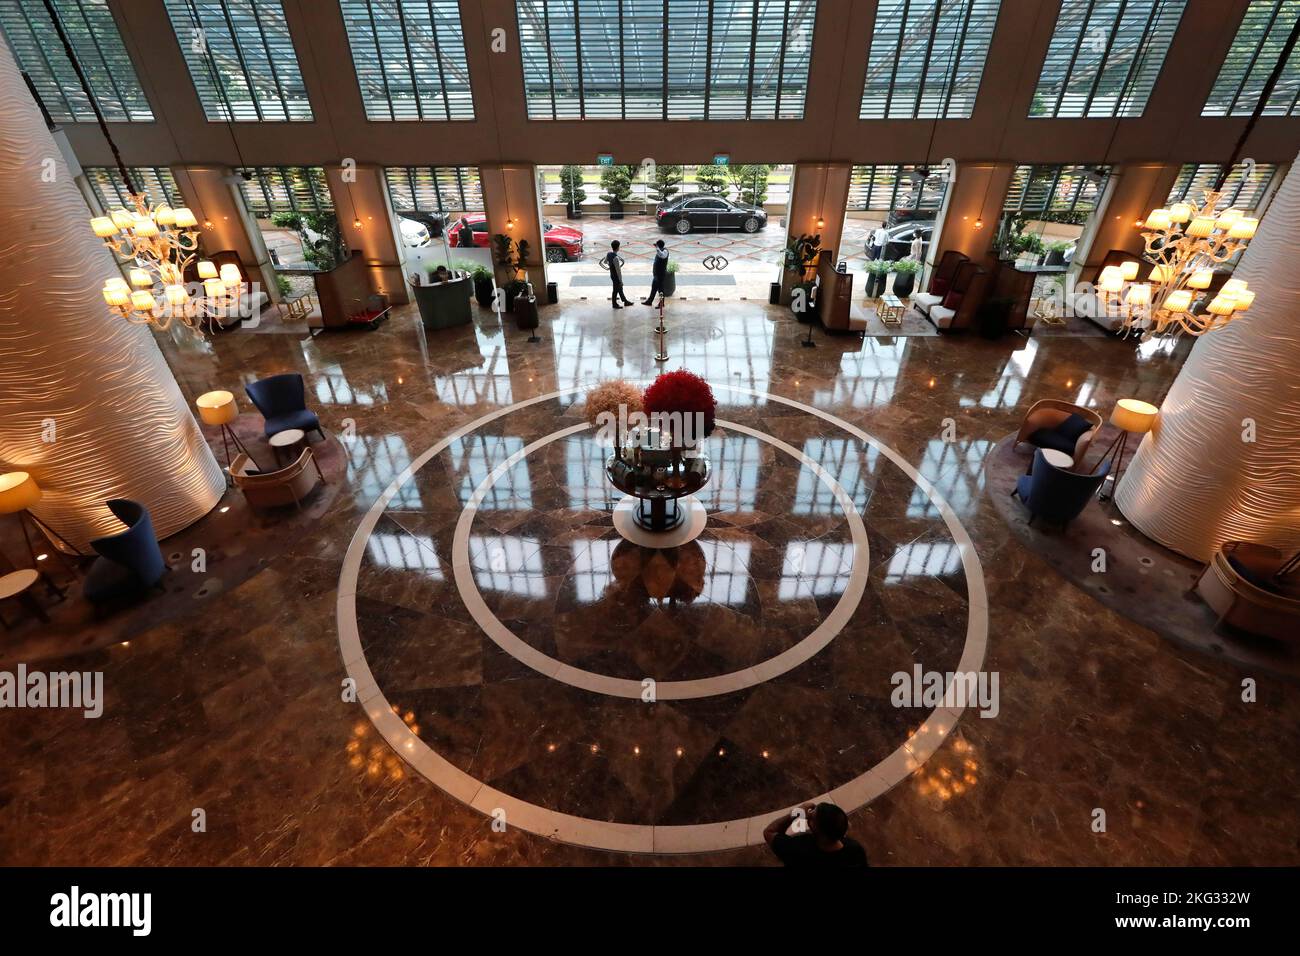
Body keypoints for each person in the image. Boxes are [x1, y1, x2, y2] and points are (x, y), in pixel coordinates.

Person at [763, 802, 868, 868]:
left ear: (820, 832)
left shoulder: (797, 849)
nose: (809, 817)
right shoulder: (855, 851)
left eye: (812, 818)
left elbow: (769, 832)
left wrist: (796, 813)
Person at [605, 240, 633, 309]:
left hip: (612, 275)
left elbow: (605, 262)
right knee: (616, 290)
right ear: (618, 248)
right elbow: (618, 271)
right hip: (616, 276)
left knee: (619, 288)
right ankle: (614, 304)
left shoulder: (609, 254)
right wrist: (621, 281)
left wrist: (610, 265)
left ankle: (625, 301)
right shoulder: (616, 258)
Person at [643, 239, 669, 305]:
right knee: (654, 288)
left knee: (661, 289)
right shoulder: (659, 251)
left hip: (660, 274)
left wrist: (657, 248)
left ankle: (661, 303)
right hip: (656, 274)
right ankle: (650, 301)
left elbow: (662, 255)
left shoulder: (665, 251)